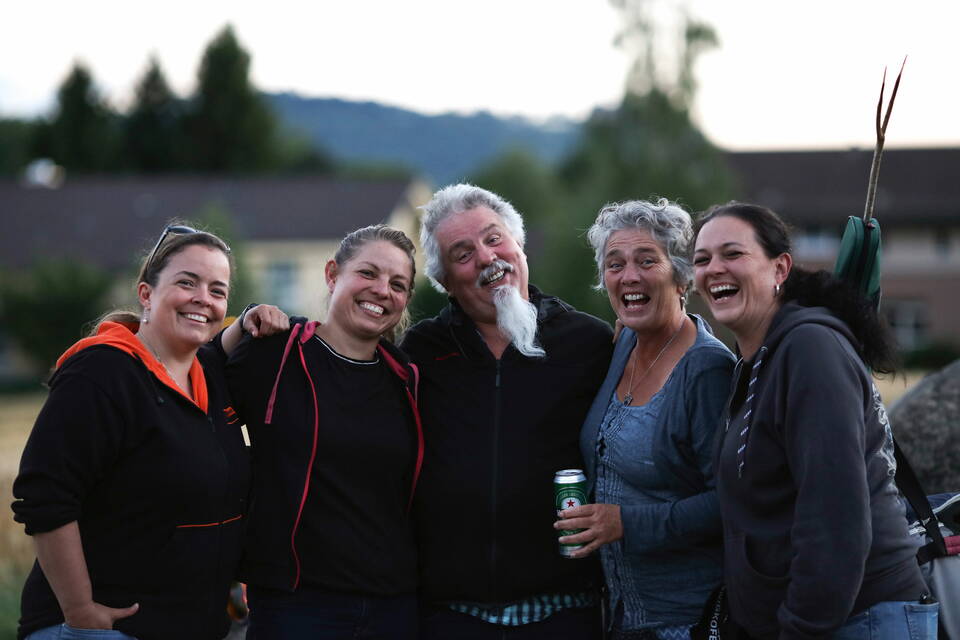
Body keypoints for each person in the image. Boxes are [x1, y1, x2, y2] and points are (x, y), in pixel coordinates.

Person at [692, 202, 938, 639]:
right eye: (702, 259)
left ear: (780, 268)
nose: (714, 269)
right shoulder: (754, 363)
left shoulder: (809, 349)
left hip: (858, 619)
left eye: (733, 254)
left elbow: (835, 518)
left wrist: (800, 628)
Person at [11, 224, 252, 640]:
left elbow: (221, 341)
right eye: (187, 282)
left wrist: (251, 319)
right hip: (105, 630)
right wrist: (80, 610)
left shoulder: (208, 373)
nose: (203, 299)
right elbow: (44, 496)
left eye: (218, 290)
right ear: (145, 294)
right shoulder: (102, 372)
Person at [400, 184, 613, 639]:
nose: (485, 257)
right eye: (462, 253)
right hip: (450, 618)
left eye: (494, 238)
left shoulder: (590, 343)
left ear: (518, 244)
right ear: (445, 282)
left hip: (566, 613)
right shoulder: (419, 352)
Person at [221, 224, 424, 640]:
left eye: (398, 284)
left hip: (393, 608)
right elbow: (188, 381)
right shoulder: (275, 352)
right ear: (332, 274)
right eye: (368, 273)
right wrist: (240, 324)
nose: (382, 290)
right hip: (295, 607)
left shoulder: (409, 381)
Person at [555, 200, 735, 640]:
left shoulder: (706, 369)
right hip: (622, 617)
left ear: (681, 276)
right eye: (614, 264)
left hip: (688, 620)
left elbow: (730, 503)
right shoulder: (625, 344)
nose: (629, 276)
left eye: (646, 261)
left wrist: (625, 524)